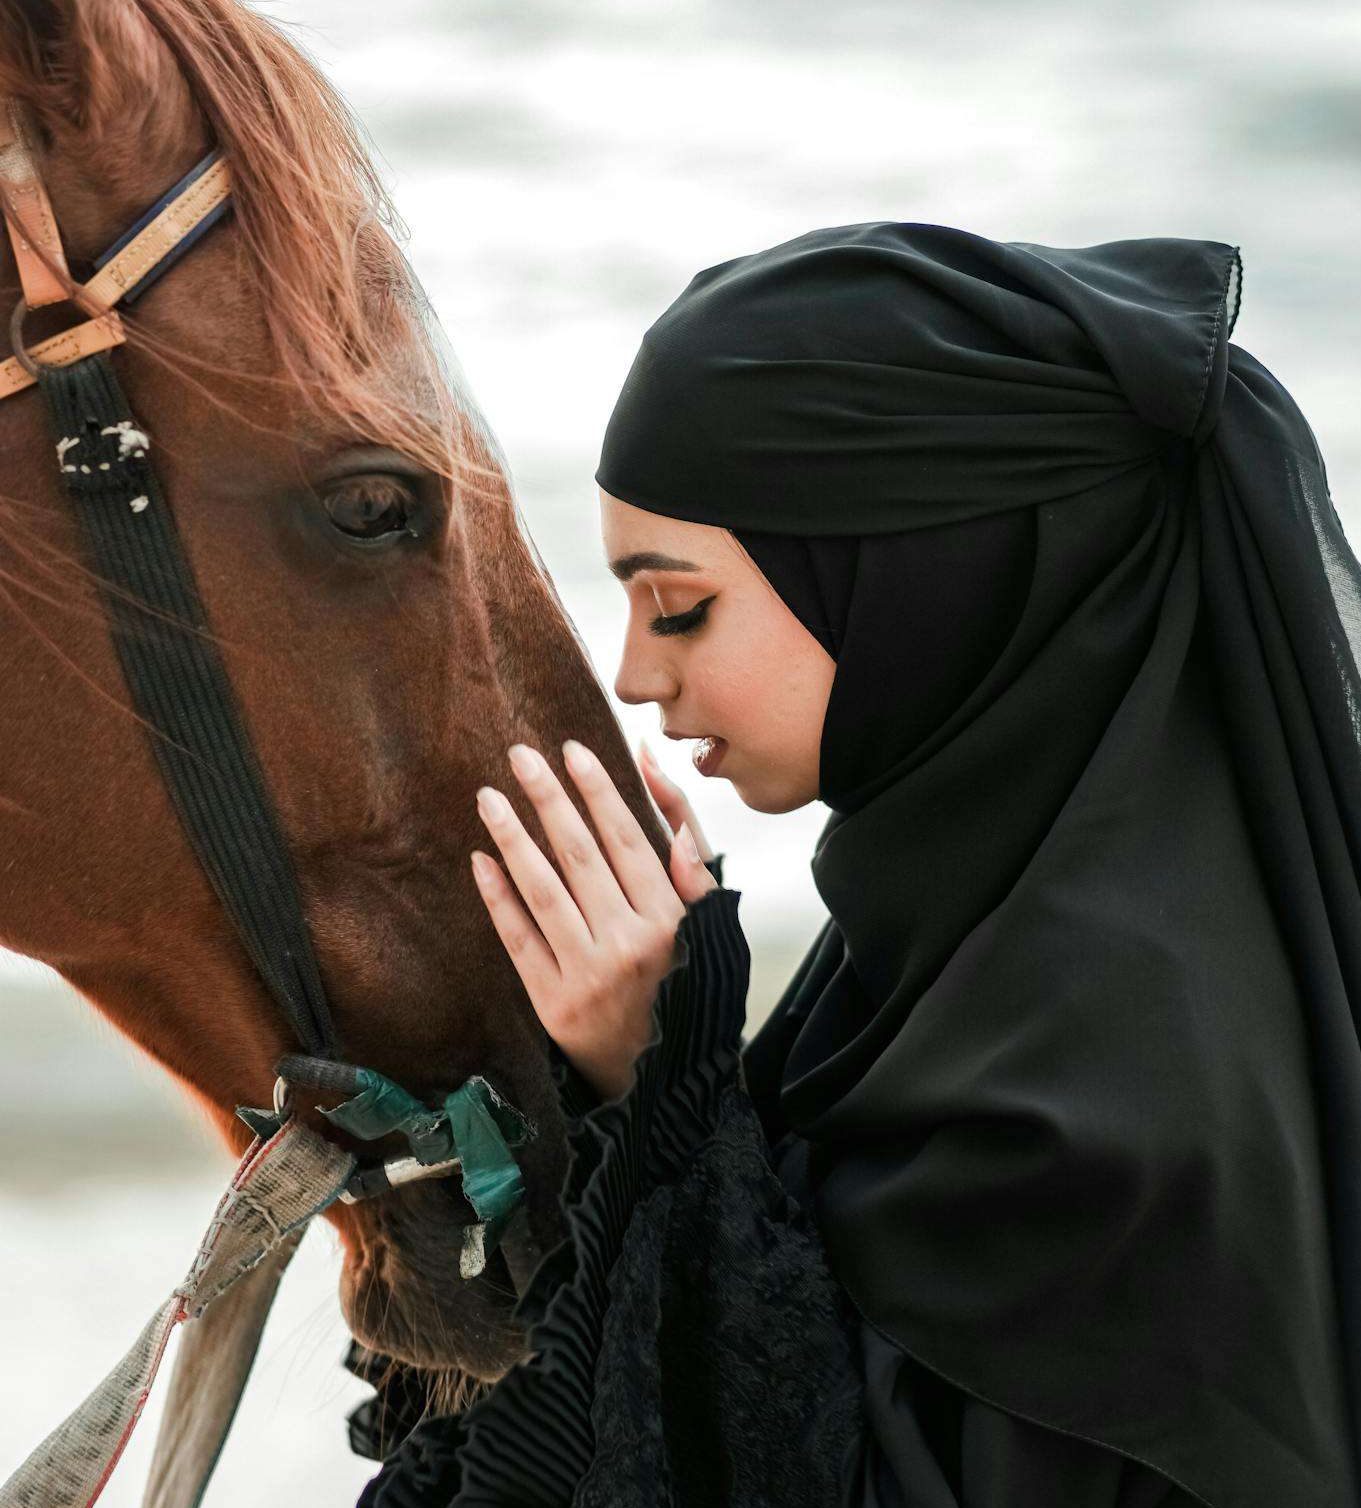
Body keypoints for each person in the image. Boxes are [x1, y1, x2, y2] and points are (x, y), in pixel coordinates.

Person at [354, 223, 1361, 1507]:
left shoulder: (1123, 1068)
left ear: (910, 576)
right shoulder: (952, 936)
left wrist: (661, 1089)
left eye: (678, 606)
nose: (633, 675)